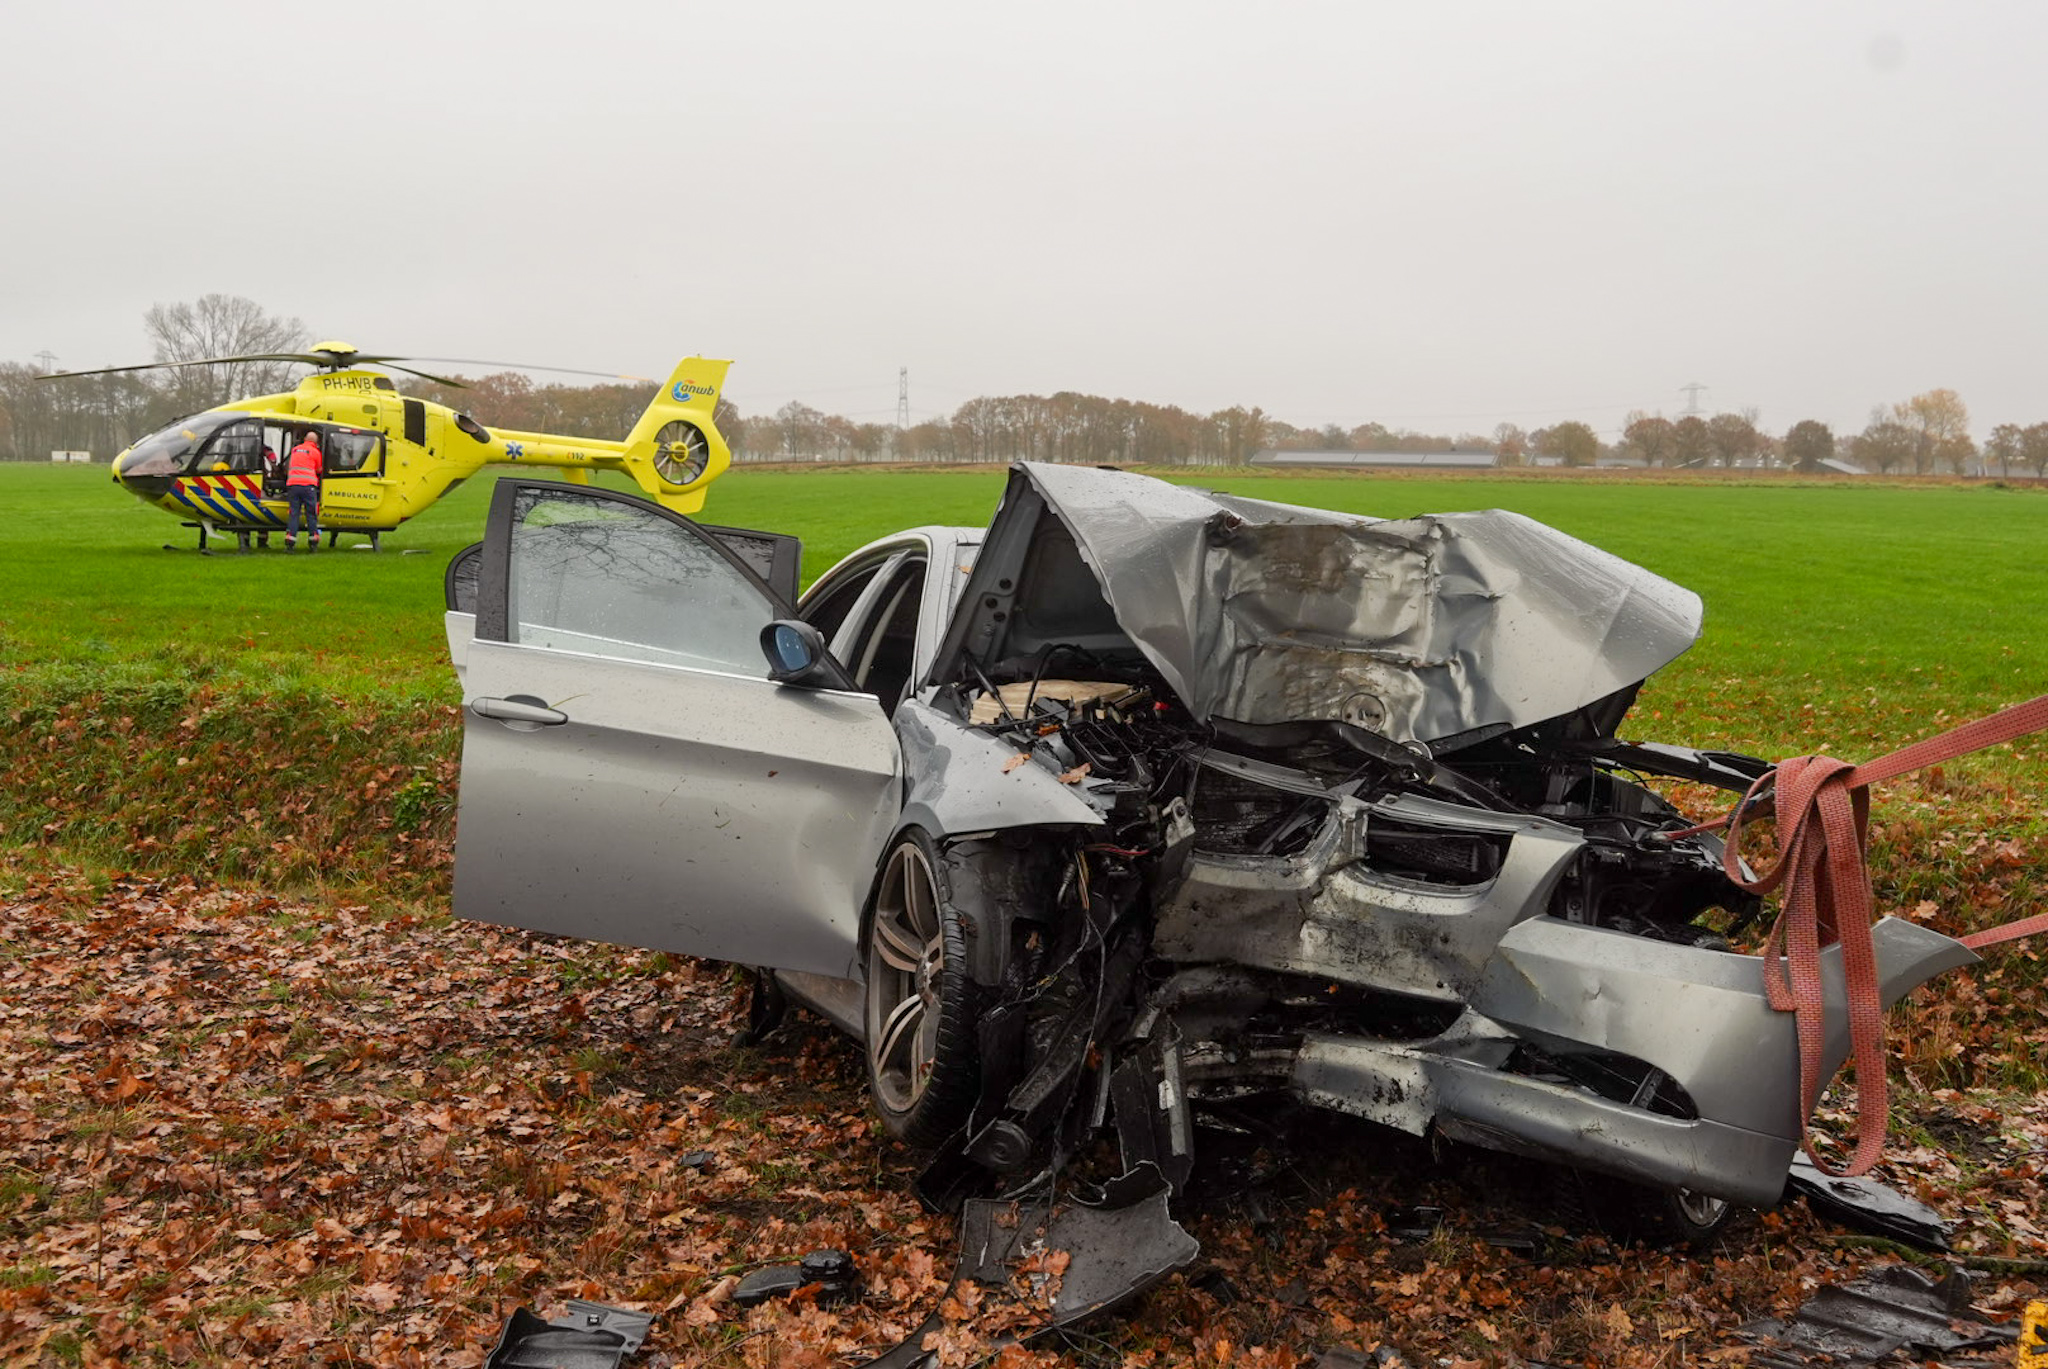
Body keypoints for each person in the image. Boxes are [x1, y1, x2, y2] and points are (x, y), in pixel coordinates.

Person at [284, 431, 323, 551]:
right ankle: (313, 543)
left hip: (293, 485)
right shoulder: (315, 452)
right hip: (308, 487)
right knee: (311, 514)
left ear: (305, 438)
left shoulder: (295, 450)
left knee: (294, 513)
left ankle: (290, 543)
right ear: (316, 442)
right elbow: (319, 469)